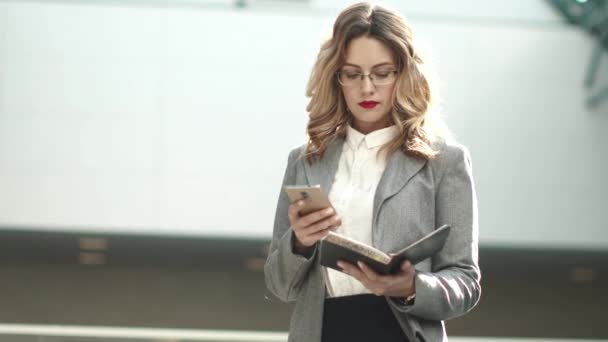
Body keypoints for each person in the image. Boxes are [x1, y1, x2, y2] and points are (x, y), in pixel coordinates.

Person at [264, 2, 481, 341]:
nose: (367, 88)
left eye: (382, 73)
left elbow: (465, 283)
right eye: (352, 74)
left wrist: (411, 286)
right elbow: (280, 285)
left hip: (398, 331)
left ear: (405, 73)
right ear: (336, 78)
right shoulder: (304, 161)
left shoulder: (445, 162)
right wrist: (300, 244)